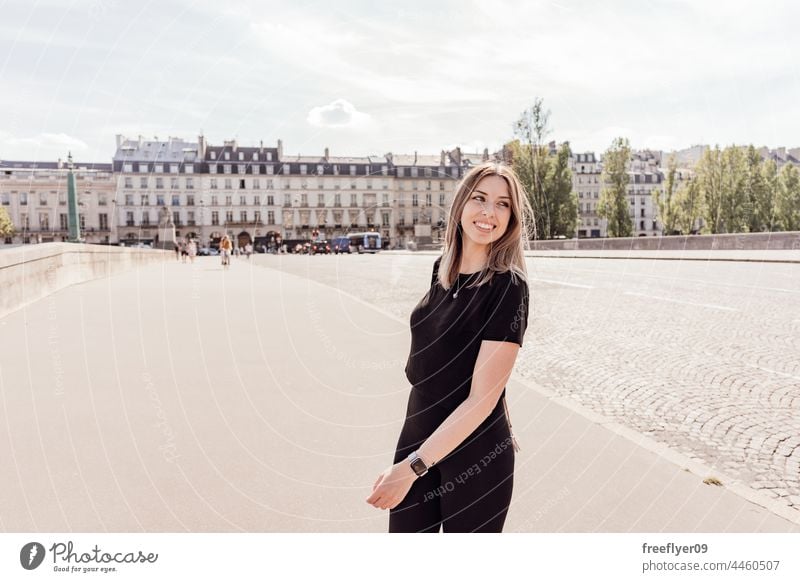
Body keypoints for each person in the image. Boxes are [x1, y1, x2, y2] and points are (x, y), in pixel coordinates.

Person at [366, 162, 532, 533]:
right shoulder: (443, 269)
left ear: (512, 218)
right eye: (480, 198)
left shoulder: (508, 287)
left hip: (476, 453)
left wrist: (411, 469)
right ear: (460, 205)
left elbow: (480, 399)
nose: (489, 212)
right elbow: (452, 355)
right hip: (419, 434)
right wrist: (413, 460)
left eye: (503, 204)